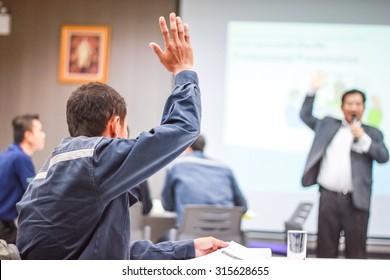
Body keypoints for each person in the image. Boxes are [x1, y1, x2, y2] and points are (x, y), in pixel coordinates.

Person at [16, 13, 228, 260]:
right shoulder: (96, 159)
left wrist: (187, 249)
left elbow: (111, 253)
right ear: (116, 125)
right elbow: (184, 129)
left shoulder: (59, 162)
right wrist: (184, 70)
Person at [300, 76, 389, 259]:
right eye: (350, 103)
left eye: (358, 104)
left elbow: (383, 157)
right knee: (325, 250)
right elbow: (305, 116)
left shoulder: (372, 133)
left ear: (364, 107)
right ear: (342, 107)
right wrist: (312, 91)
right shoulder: (327, 125)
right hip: (328, 198)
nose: (354, 108)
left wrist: (363, 139)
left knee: (356, 253)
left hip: (356, 201)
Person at [161, 134, 248, 229]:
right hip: (224, 235)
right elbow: (243, 207)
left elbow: (167, 206)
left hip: (190, 236)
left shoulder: (176, 166)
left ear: (187, 147)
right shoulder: (224, 167)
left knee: (162, 240)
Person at [0, 114, 45, 244]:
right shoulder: (21, 158)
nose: (43, 135)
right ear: (28, 136)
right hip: (3, 227)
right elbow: (34, 194)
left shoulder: (6, 154)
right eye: (40, 131)